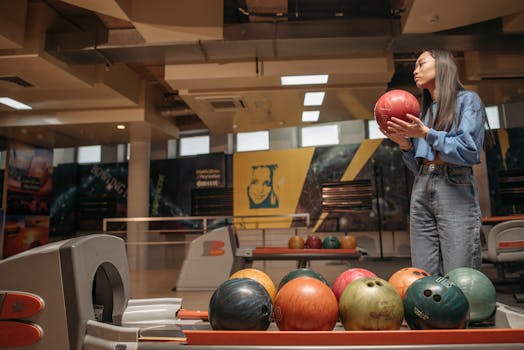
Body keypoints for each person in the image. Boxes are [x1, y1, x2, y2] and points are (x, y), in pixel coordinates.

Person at [382, 49, 490, 276]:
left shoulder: (468, 101)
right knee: (423, 274)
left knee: (460, 273)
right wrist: (405, 145)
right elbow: (418, 165)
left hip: (454, 184)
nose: (415, 70)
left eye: (421, 64)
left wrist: (426, 133)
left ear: (441, 65)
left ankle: (464, 313)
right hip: (421, 186)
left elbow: (469, 151)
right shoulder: (424, 113)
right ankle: (429, 313)